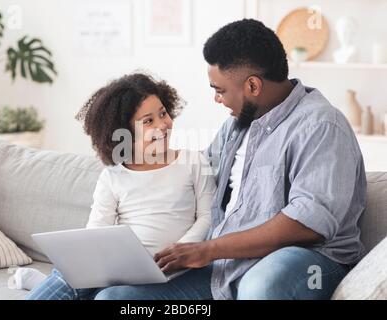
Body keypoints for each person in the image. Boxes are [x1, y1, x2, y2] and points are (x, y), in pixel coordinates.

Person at [91, 19, 367, 300]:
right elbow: (197, 177)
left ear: (253, 86)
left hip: (307, 262)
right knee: (114, 298)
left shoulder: (321, 125)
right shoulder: (234, 127)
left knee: (262, 286)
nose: (216, 99)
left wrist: (208, 250)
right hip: (229, 265)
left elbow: (308, 223)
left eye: (219, 90)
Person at [24, 73, 216, 300]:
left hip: (176, 269)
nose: (162, 125)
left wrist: (182, 250)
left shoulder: (193, 162)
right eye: (148, 121)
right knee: (67, 276)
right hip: (125, 269)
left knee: (108, 297)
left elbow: (208, 215)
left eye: (163, 113)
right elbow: (96, 232)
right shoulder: (113, 177)